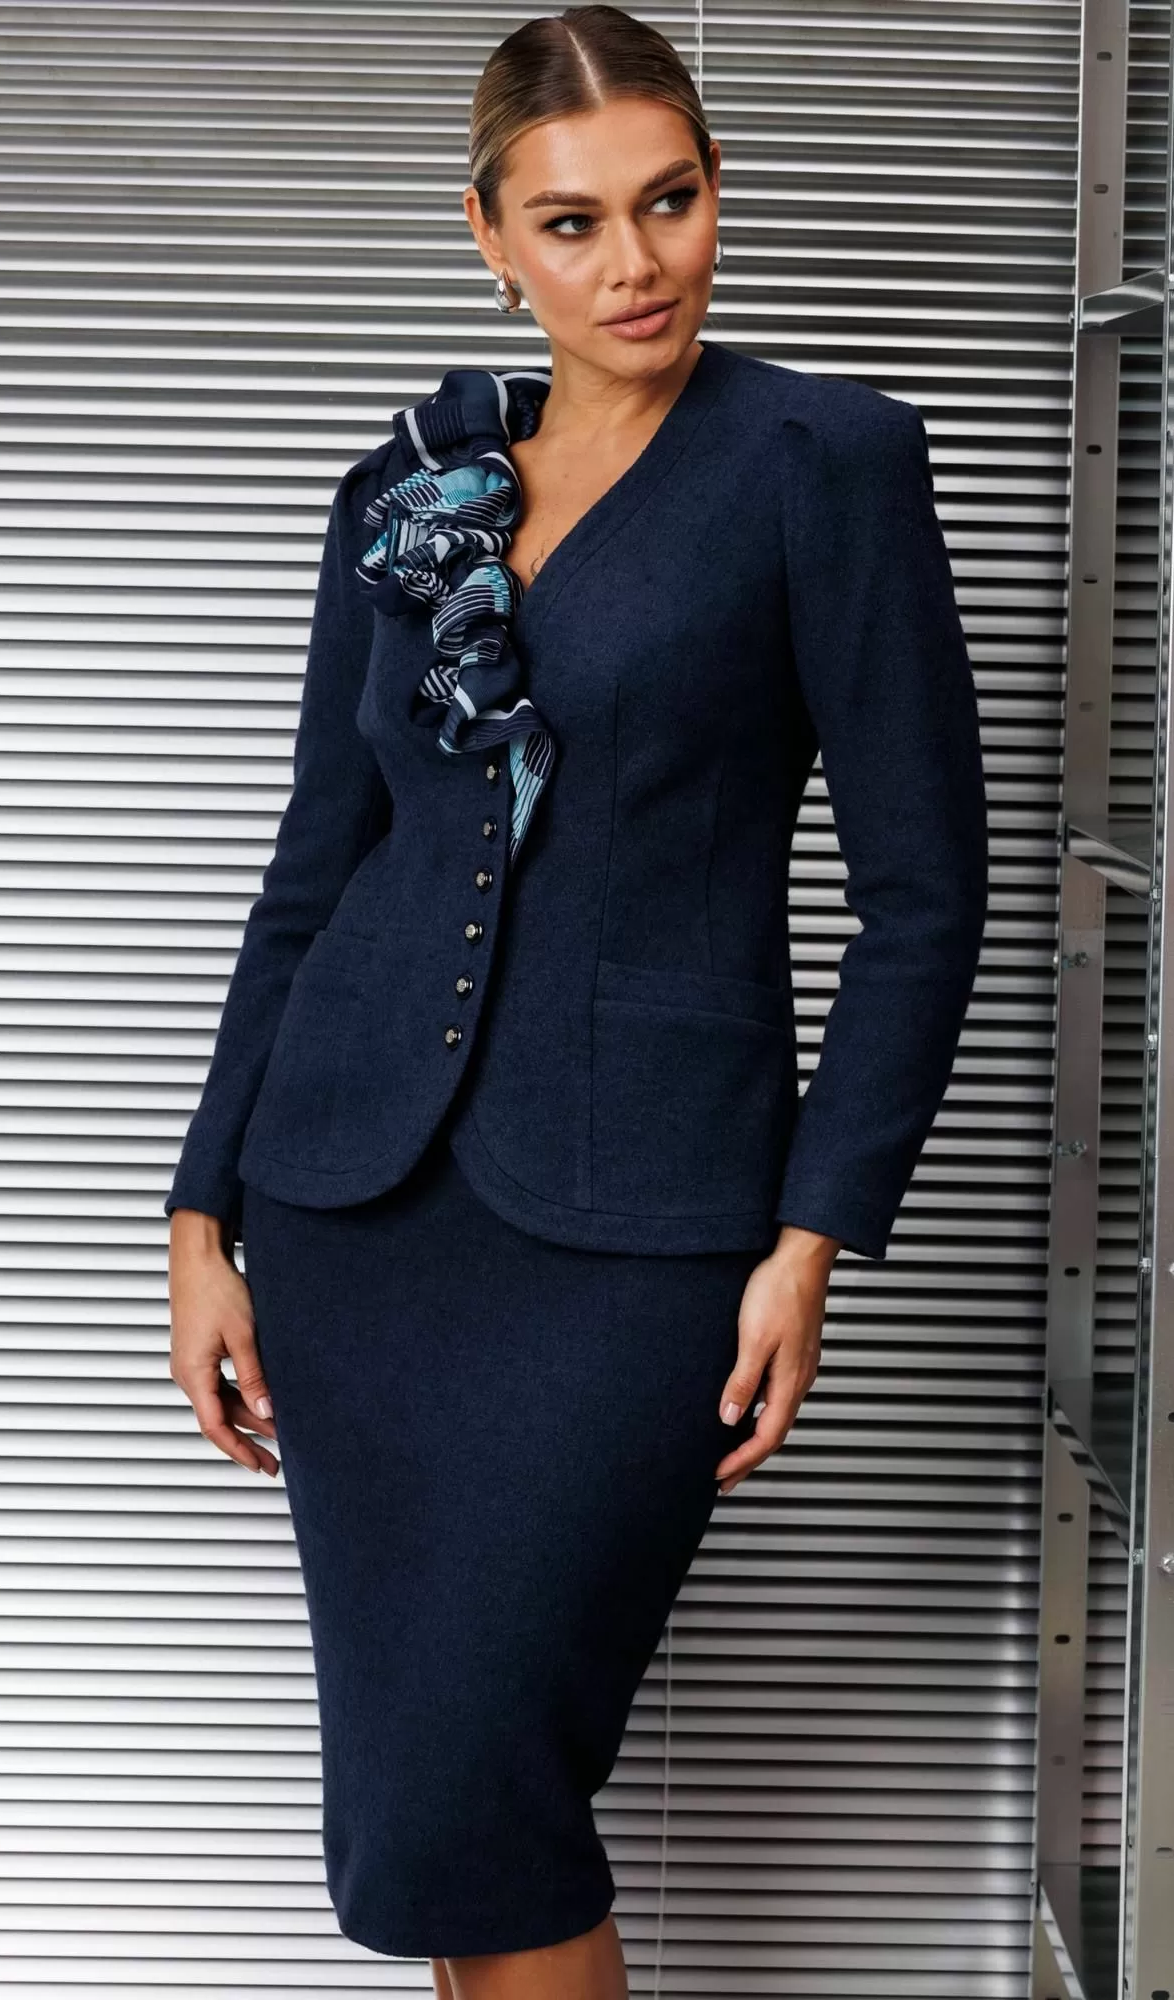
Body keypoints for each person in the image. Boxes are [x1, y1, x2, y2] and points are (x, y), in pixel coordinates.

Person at [164, 7, 990, 1996]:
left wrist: (811, 1241)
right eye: (573, 220)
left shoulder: (823, 465)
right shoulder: (410, 490)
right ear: (489, 236)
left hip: (636, 1234)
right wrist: (201, 1212)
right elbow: (317, 862)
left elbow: (924, 895)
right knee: (428, 1828)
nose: (637, 262)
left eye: (671, 200)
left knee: (488, 1794)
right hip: (355, 1220)